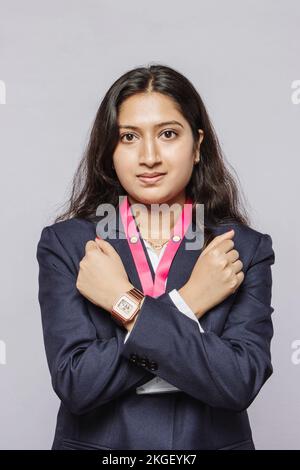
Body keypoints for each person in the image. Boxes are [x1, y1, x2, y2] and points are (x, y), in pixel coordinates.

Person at [36, 64, 275, 450]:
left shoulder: (242, 249)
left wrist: (124, 304)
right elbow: (77, 383)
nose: (149, 156)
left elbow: (238, 382)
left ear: (197, 146)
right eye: (129, 136)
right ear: (109, 149)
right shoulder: (69, 246)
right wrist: (191, 301)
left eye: (167, 134)